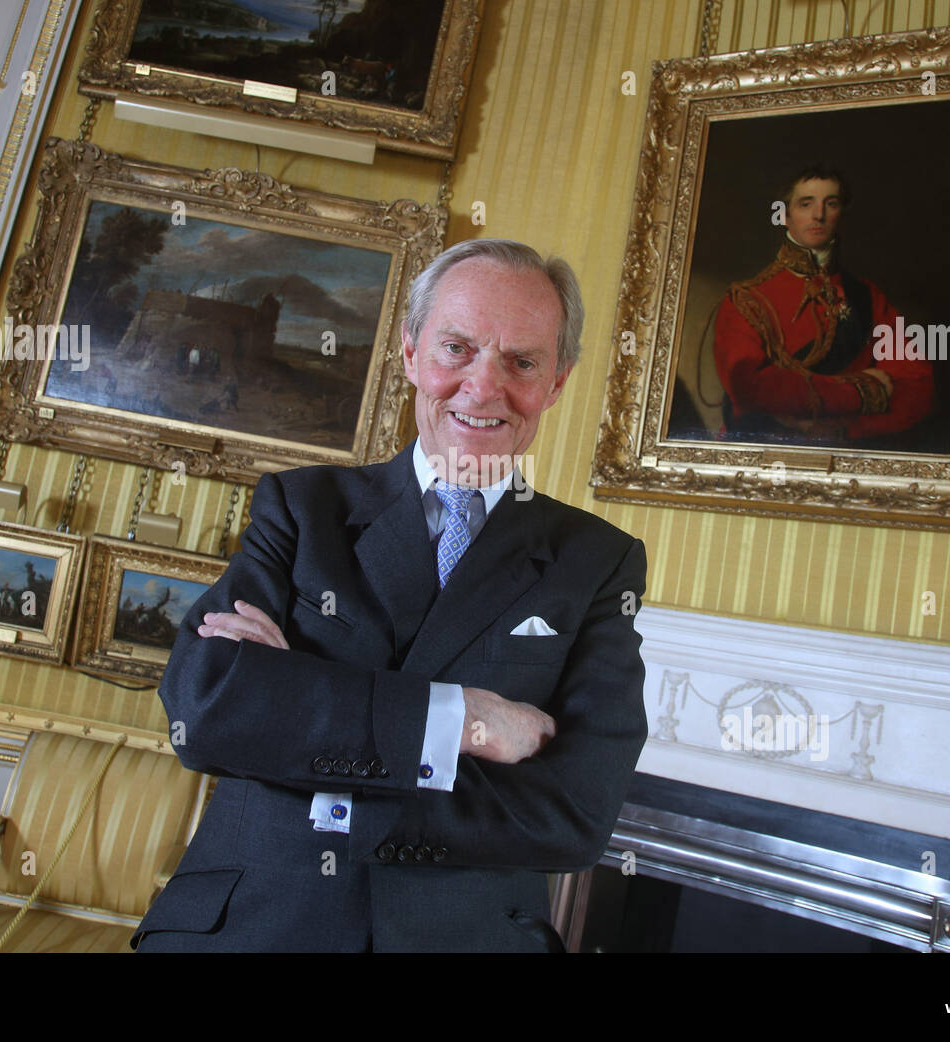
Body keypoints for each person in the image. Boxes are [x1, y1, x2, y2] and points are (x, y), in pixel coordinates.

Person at [132, 239, 649, 952]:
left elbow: (576, 814)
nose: (482, 386)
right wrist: (460, 719)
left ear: (556, 382)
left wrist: (307, 731)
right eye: (457, 348)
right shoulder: (301, 507)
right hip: (252, 925)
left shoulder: (597, 564)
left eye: (521, 362)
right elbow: (207, 704)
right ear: (410, 354)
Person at [711, 165, 933, 446]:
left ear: (841, 214)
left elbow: (917, 386)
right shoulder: (748, 300)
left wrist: (844, 431)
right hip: (762, 451)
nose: (819, 215)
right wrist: (862, 391)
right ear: (785, 216)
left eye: (831, 204)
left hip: (850, 450)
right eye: (806, 204)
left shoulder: (867, 297)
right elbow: (750, 389)